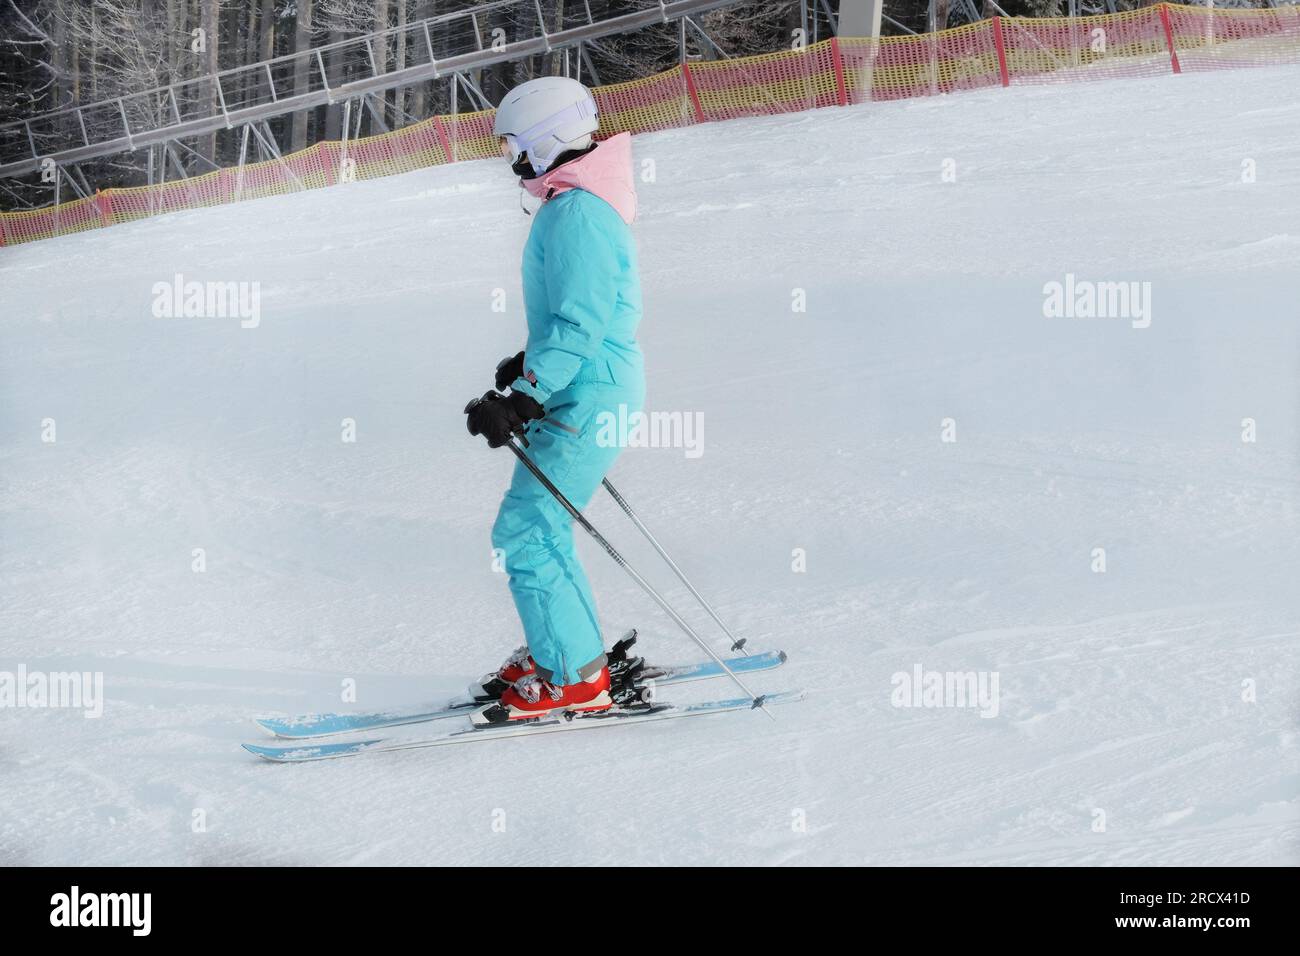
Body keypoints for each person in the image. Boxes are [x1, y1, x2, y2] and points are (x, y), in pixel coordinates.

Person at [465, 76, 644, 721]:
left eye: (516, 142)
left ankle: (572, 675)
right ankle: (568, 652)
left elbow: (580, 323)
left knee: (527, 532)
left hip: (586, 393)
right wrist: (526, 369)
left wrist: (527, 394)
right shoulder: (577, 203)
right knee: (538, 527)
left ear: (545, 136)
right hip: (584, 386)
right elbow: (577, 315)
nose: (512, 156)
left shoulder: (575, 213)